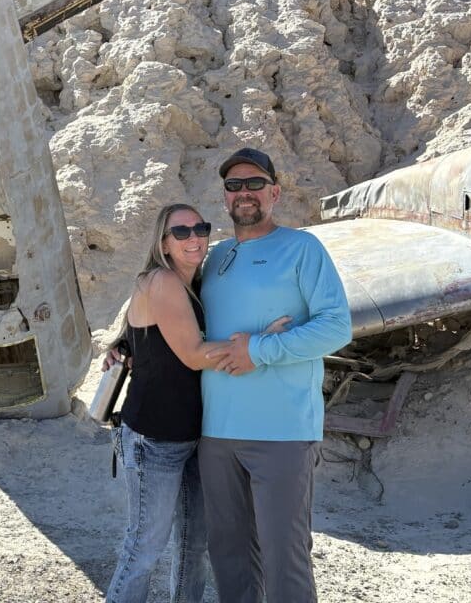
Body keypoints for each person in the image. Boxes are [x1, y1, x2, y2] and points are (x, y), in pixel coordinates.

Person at [198, 148, 352, 603]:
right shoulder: (213, 256)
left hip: (281, 432)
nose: (244, 193)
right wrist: (124, 345)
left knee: (285, 557)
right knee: (228, 555)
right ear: (225, 198)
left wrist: (259, 350)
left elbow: (336, 326)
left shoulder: (303, 248)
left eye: (254, 184)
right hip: (216, 432)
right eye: (234, 186)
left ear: (275, 192)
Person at [104, 203, 275, 603]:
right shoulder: (162, 281)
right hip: (154, 439)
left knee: (193, 548)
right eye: (180, 232)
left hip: (195, 436)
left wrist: (122, 343)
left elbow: (145, 335)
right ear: (163, 243)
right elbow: (194, 354)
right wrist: (264, 346)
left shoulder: (194, 283)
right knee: (144, 548)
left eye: (200, 228)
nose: (193, 237)